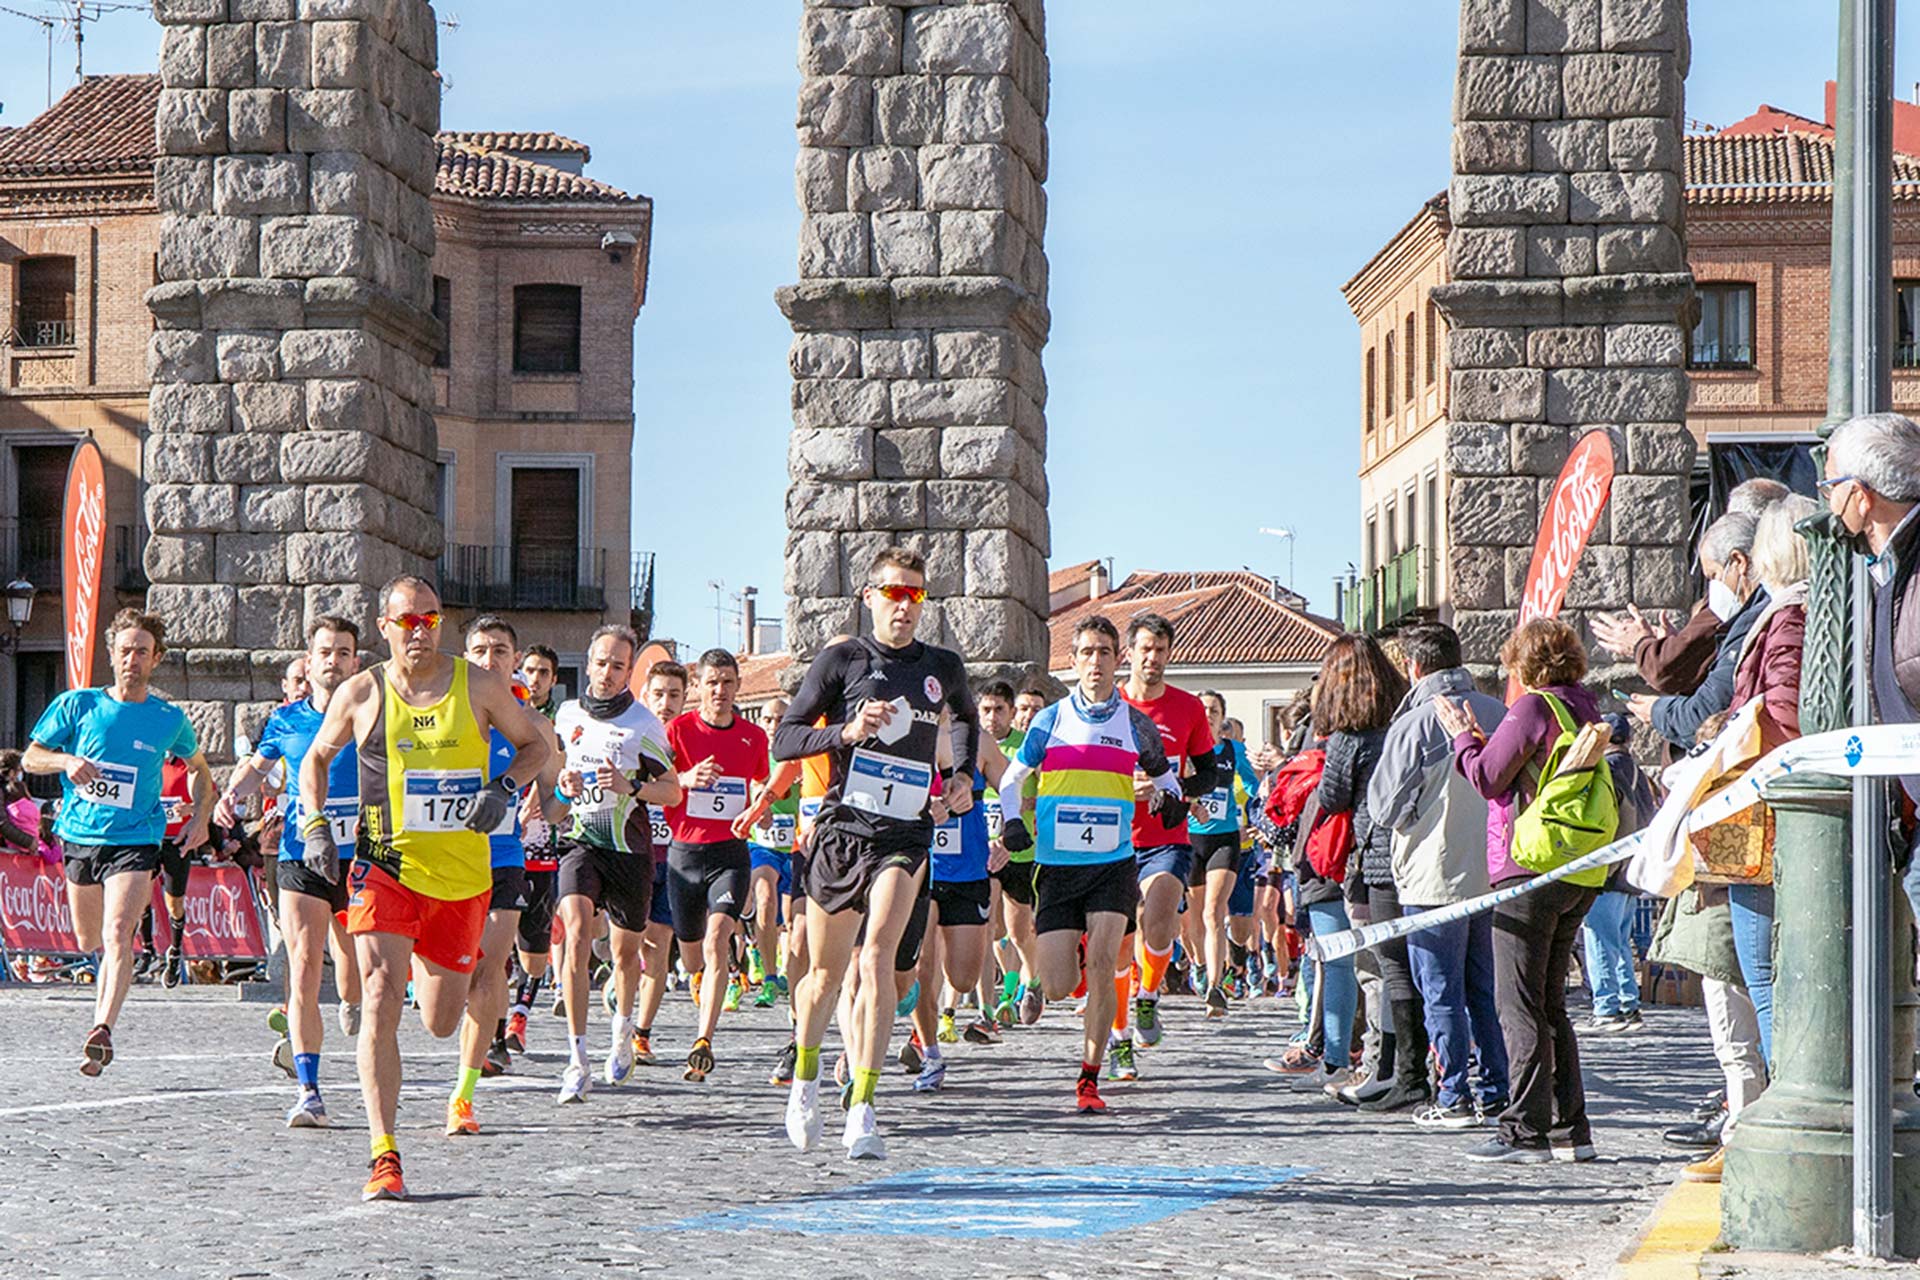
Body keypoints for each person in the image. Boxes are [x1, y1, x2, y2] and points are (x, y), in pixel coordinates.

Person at [299, 575, 551, 1201]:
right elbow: (315, 759)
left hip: (463, 879)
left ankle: (453, 1068)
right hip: (386, 868)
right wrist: (316, 825)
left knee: (441, 1020)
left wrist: (504, 789)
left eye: (431, 619)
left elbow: (535, 745)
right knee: (382, 992)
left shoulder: (480, 684)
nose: (420, 630)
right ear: (383, 627)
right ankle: (385, 1153)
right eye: (406, 620)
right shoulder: (362, 691)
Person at [774, 546, 980, 1160]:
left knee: (878, 961)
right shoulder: (843, 660)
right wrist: (847, 731)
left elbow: (964, 717)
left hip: (906, 834)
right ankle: (806, 1077)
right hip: (843, 830)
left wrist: (963, 775)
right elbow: (786, 736)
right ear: (870, 598)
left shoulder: (941, 665)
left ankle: (864, 1104)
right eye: (893, 592)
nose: (905, 605)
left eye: (915, 594)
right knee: (823, 977)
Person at [996, 614, 1185, 1113]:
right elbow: (1010, 781)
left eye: (1105, 652)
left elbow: (1168, 780)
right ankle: (1059, 973)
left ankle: (1089, 1077)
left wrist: (1169, 801)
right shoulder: (1050, 720)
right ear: (1074, 660)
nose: (1096, 662)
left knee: (1103, 960)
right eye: (1087, 652)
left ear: (1116, 659)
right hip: (1058, 866)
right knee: (1060, 984)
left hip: (1113, 862)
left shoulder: (1135, 723)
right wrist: (1011, 824)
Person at [1438, 617, 1605, 1164]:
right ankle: (1569, 1128)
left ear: (1525, 664)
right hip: (1576, 868)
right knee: (1551, 1002)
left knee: (1520, 1003)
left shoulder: (1532, 707)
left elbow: (1487, 778)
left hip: (1526, 868)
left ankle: (1524, 1132)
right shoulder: (1582, 705)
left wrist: (1461, 735)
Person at [24, 608, 212, 1077]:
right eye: (125, 650)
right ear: (112, 654)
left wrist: (202, 815)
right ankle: (102, 1014)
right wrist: (66, 762)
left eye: (142, 652)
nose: (132, 659)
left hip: (137, 839)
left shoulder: (168, 718)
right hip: (81, 837)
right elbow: (31, 757)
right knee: (89, 938)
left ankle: (101, 1029)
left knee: (117, 934)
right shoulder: (79, 705)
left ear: (156, 659)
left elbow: (200, 772)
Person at [216, 617, 366, 1127]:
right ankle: (309, 1090)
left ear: (355, 661)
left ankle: (352, 1000)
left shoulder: (373, 714)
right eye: (325, 652)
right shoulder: (285, 720)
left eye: (343, 653)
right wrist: (232, 794)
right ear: (310, 659)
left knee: (352, 968)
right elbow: (259, 766)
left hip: (361, 855)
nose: (333, 661)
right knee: (302, 964)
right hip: (304, 853)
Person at [1367, 621, 1508, 1125]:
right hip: (1492, 873)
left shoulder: (1414, 724)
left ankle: (1453, 1095)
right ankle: (1496, 1087)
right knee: (1484, 989)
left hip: (1433, 874)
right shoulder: (1497, 711)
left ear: (1414, 667)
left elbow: (1384, 807)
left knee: (1440, 989)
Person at [551, 626, 679, 1102]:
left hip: (628, 846)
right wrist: (564, 784)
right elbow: (557, 789)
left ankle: (622, 1032)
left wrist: (631, 788)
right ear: (589, 662)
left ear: (630, 672)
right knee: (578, 930)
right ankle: (577, 1058)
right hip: (581, 841)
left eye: (618, 666)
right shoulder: (567, 715)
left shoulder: (644, 725)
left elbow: (673, 790)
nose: (607, 673)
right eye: (601, 662)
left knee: (626, 955)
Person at [447, 616, 563, 1135]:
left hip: (504, 859)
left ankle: (464, 1095)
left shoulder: (535, 728)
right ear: (465, 656)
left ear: (515, 661)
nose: (489, 659)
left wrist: (564, 793)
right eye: (479, 650)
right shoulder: (443, 714)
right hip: (446, 862)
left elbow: (557, 810)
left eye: (499, 651)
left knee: (489, 967)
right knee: (447, 988)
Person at [1721, 493, 1815, 1069]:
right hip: (1774, 810)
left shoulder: (1788, 617)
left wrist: (1725, 739)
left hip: (1765, 811)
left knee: (1765, 973)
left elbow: (1784, 711)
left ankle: (1782, 1097)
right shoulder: (1819, 610)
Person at [664, 648, 769, 1081]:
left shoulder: (753, 737)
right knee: (693, 958)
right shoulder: (679, 731)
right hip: (684, 853)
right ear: (698, 687)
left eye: (727, 682)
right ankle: (700, 980)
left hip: (730, 853)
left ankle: (703, 1040)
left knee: (717, 939)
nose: (720, 691)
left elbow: (762, 782)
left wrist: (757, 809)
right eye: (712, 683)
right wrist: (685, 780)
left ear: (738, 686)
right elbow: (654, 782)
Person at [1118, 614, 1217, 1052]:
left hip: (1166, 836)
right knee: (1118, 943)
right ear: (1129, 653)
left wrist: (1176, 791)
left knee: (1158, 923)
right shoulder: (1110, 705)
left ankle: (1149, 994)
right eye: (1145, 649)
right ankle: (1118, 1035)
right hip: (1113, 837)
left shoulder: (1188, 707)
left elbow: (1209, 773)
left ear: (1169, 654)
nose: (1152, 658)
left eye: (1160, 650)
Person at [1592, 477, 1790, 694]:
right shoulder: (1769, 592)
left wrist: (1640, 644)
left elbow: (1670, 669)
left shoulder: (1745, 594)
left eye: (1713, 575)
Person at [1620, 511, 1770, 751]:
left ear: (1739, 562)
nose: (1713, 589)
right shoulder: (1751, 615)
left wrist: (1656, 711)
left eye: (1713, 575)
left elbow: (1705, 712)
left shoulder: (1755, 620)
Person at [1578, 714, 1655, 1036]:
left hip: (1609, 870)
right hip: (1633, 872)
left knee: (1599, 940)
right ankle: (1628, 1001)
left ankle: (1606, 1007)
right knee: (1620, 941)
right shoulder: (1636, 771)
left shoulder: (1607, 770)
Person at [1188, 691, 1262, 1016]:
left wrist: (1258, 814)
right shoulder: (1185, 751)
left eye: (1214, 710)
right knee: (1193, 918)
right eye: (1202, 709)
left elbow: (1254, 785)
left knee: (1213, 912)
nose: (1207, 714)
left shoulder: (1234, 750)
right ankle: (1201, 966)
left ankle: (1216, 988)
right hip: (1189, 840)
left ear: (1222, 718)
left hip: (1225, 840)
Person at [630, 659, 689, 1065]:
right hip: (629, 854)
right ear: (644, 696)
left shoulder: (690, 743)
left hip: (675, 855)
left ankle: (642, 1031)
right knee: (624, 943)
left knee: (660, 943)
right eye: (658, 694)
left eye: (674, 695)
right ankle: (618, 980)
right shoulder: (628, 737)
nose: (665, 703)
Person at [977, 679, 1040, 1025]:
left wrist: (1029, 803)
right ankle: (992, 1004)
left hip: (1019, 850)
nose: (992, 717)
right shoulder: (971, 747)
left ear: (1011, 713)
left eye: (1000, 710)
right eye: (986, 710)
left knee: (1018, 932)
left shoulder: (1025, 747)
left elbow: (1048, 789)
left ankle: (1027, 984)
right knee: (989, 929)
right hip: (983, 850)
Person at [746, 696, 799, 1009]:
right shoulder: (755, 755)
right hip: (761, 845)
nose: (773, 725)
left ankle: (791, 979)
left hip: (794, 846)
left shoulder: (802, 755)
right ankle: (768, 977)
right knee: (764, 896)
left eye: (780, 718)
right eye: (767, 719)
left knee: (792, 921)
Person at [521, 644, 562, 722]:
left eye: (543, 673)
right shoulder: (506, 713)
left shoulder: (561, 719)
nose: (535, 679)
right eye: (530, 671)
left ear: (553, 680)